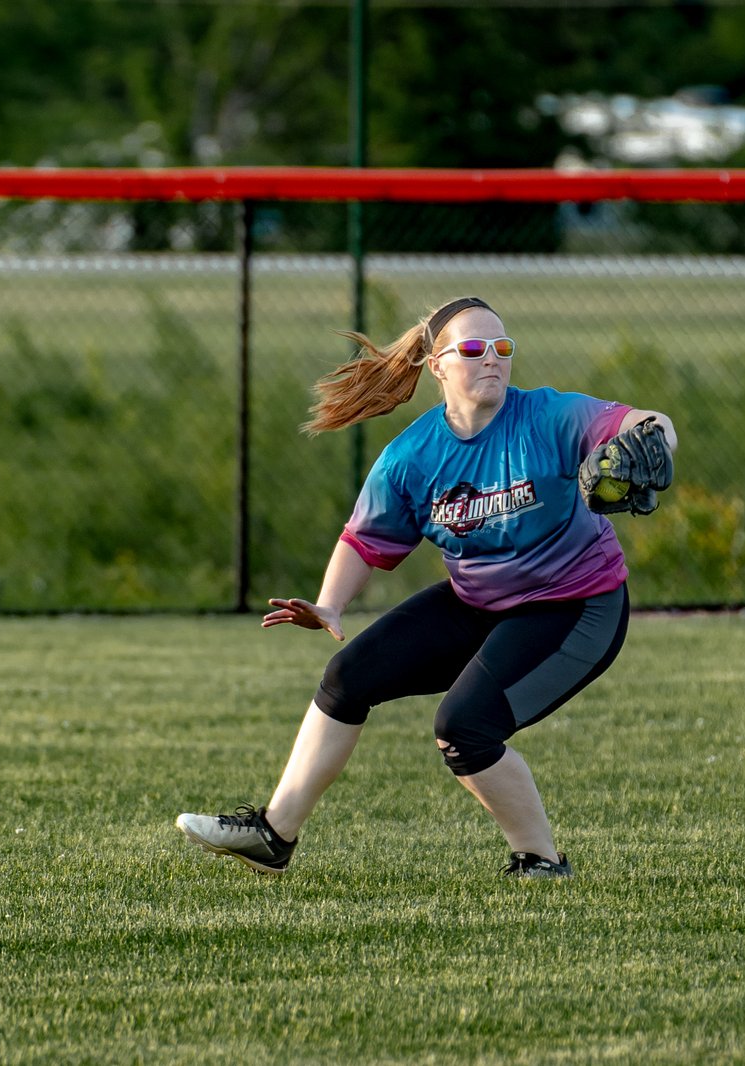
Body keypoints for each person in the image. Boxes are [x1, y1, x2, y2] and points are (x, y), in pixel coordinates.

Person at [176, 296, 676, 879]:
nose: (491, 358)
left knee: (465, 727)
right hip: (479, 602)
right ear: (437, 365)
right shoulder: (413, 456)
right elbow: (364, 539)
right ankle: (273, 834)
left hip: (576, 605)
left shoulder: (547, 417)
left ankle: (540, 861)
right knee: (347, 677)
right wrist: (331, 603)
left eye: (502, 347)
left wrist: (651, 440)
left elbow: (648, 424)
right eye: (471, 349)